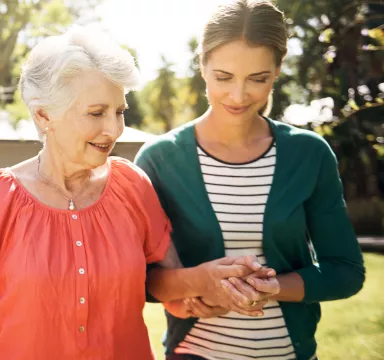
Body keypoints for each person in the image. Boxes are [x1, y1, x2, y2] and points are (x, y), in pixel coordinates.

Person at [0, 25, 277, 360]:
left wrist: (214, 286)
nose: (113, 129)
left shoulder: (132, 185)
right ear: (44, 115)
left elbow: (167, 287)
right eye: (96, 113)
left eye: (119, 112)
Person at [135, 1, 366, 360]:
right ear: (203, 66)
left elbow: (346, 271)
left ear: (277, 70)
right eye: (223, 77)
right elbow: (141, 279)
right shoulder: (159, 160)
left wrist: (273, 287)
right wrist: (202, 281)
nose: (239, 96)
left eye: (257, 79)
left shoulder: (309, 154)